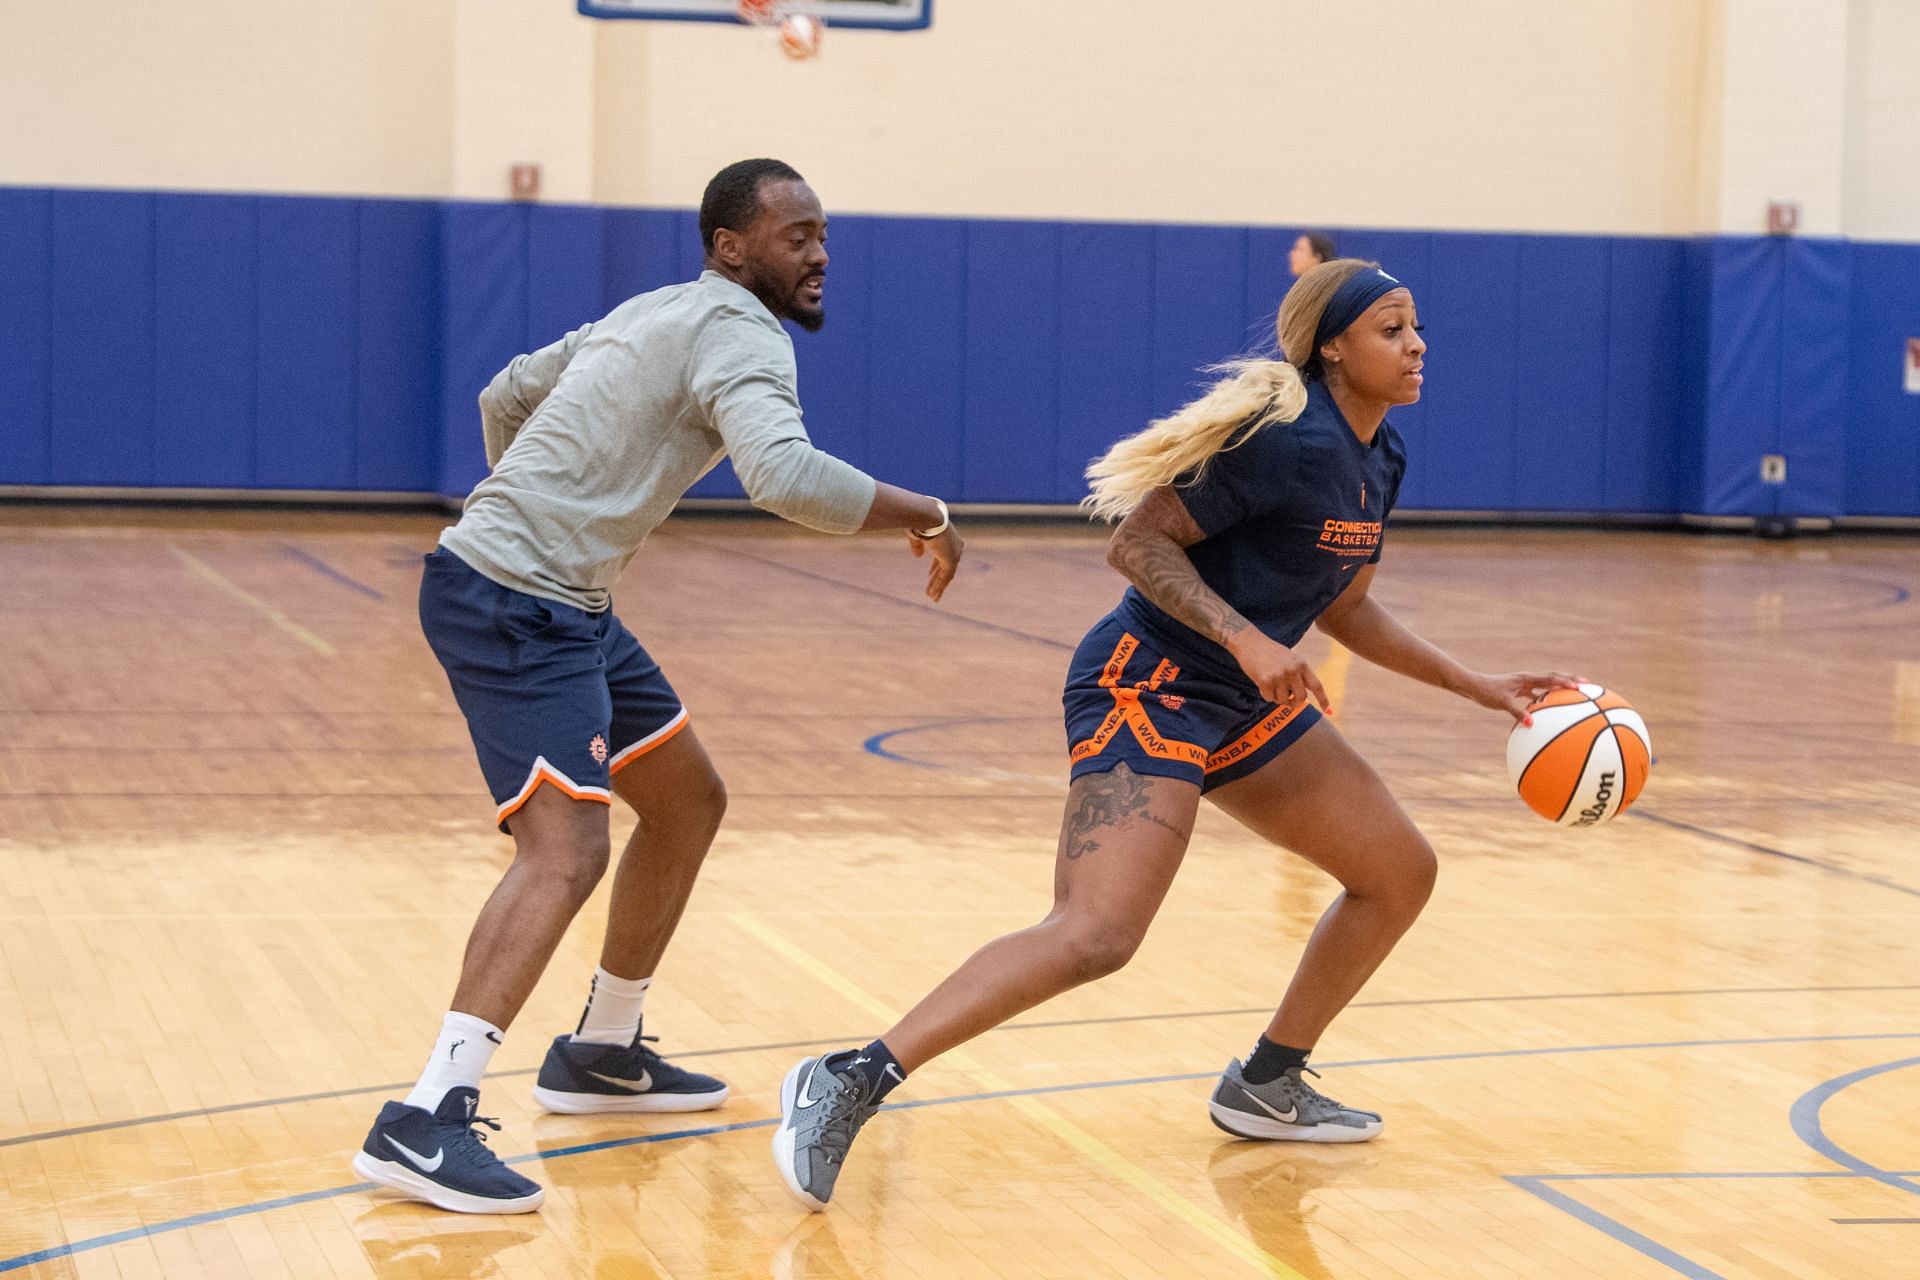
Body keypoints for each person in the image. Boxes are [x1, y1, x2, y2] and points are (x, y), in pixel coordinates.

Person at [772, 259, 1579, 1211]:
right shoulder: (1282, 440)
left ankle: (1268, 1082)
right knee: (1097, 933)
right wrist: (1242, 637)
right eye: (1393, 330)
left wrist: (1477, 686)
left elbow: (1350, 610)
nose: (1417, 346)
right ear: (1334, 349)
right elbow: (1137, 543)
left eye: (1415, 329)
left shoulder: (1378, 458)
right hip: (1146, 682)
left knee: (1398, 872)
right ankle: (850, 1077)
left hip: (1241, 702)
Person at [353, 157, 965, 1215]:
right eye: (795, 236)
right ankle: (426, 1114)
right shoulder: (739, 333)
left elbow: (507, 391)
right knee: (569, 847)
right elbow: (783, 475)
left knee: (686, 800)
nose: (819, 255)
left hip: (564, 599)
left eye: (824, 235)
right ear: (732, 247)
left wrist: (533, 502)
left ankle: (600, 1050)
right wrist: (925, 509)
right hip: (515, 603)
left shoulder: (654, 311)